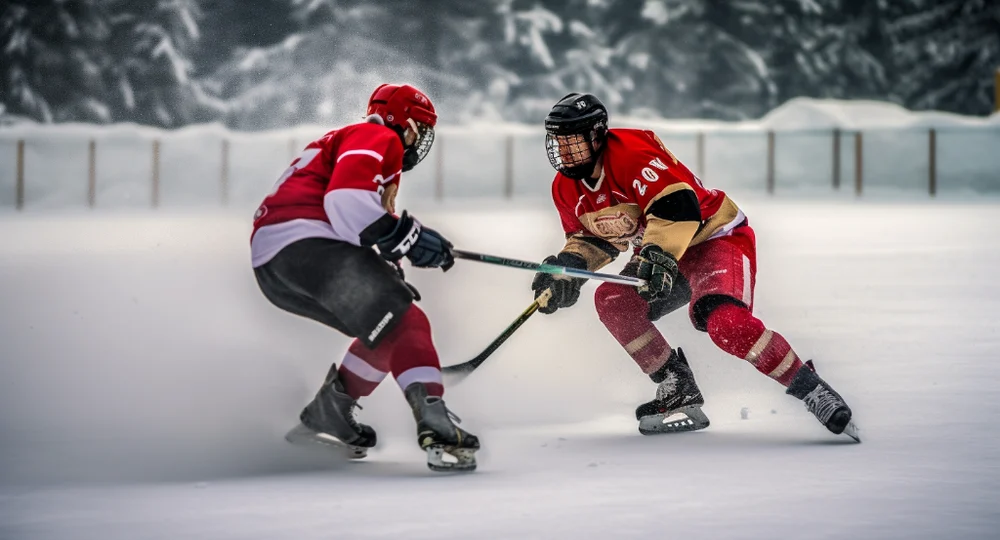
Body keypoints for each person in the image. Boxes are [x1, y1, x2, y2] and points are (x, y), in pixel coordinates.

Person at [530, 92, 858, 441]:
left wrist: (658, 256)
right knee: (614, 300)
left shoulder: (631, 155)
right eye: (558, 143)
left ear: (597, 136)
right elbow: (594, 238)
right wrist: (567, 269)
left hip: (714, 238)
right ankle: (676, 385)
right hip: (663, 251)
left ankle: (810, 388)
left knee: (726, 324)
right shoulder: (565, 187)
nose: (564, 153)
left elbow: (679, 206)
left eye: (572, 143)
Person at [250, 83, 480, 471]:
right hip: (305, 247)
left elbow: (355, 220)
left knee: (385, 326)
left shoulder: (345, 142)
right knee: (407, 322)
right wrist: (407, 237)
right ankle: (436, 423)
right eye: (419, 129)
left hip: (275, 266)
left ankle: (328, 417)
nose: (419, 140)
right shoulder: (376, 135)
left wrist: (394, 255)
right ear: (402, 123)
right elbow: (345, 201)